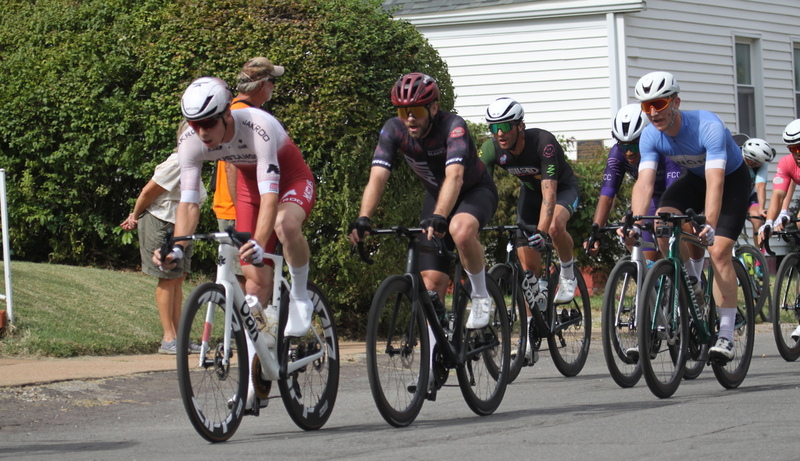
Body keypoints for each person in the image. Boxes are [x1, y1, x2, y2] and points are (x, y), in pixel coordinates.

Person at [153, 75, 316, 338]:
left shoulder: (257, 126)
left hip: (290, 180)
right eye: (195, 124)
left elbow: (271, 197)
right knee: (253, 286)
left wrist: (260, 243)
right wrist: (177, 248)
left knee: (284, 225)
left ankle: (299, 294)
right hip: (250, 188)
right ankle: (257, 363)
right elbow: (188, 202)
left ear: (227, 114)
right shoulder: (190, 140)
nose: (202, 132)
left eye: (208, 123)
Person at [348, 72, 498, 330]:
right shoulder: (393, 129)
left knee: (460, 232)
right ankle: (434, 357)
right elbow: (378, 177)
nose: (409, 118)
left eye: (416, 110)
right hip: (437, 195)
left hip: (473, 191)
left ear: (433, 108)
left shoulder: (453, 127)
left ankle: (481, 296)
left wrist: (441, 214)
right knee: (431, 282)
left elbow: (455, 176)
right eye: (402, 111)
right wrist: (364, 217)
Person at [621, 71, 751, 361]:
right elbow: (644, 182)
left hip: (730, 180)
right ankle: (689, 281)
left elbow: (716, 182)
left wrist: (711, 225)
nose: (653, 112)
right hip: (695, 179)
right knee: (663, 221)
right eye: (646, 106)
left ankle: (727, 335)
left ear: (676, 102)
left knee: (717, 252)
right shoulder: (651, 137)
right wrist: (635, 222)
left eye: (660, 104)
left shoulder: (708, 126)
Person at [479, 97, 580, 305]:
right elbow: (481, 189)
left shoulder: (544, 143)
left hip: (562, 190)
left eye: (506, 126)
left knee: (554, 227)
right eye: (494, 127)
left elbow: (550, 193)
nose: (500, 133)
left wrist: (541, 231)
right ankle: (530, 330)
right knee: (529, 274)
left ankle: (568, 274)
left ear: (520, 125)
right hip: (531, 194)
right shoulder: (491, 149)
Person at [121, 121, 207, 354]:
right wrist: (135, 216)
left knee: (179, 279)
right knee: (168, 277)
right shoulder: (178, 161)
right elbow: (148, 191)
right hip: (161, 223)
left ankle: (180, 337)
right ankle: (168, 338)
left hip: (182, 227)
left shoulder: (194, 164)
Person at [210, 57, 283, 288]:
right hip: (239, 209)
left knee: (242, 278)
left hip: (233, 207)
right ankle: (247, 324)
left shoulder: (233, 110)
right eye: (272, 81)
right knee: (247, 278)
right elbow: (232, 164)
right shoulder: (245, 116)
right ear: (261, 84)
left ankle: (244, 323)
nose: (274, 87)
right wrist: (242, 212)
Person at [585, 103, 682, 262]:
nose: (628, 152)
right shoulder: (617, 154)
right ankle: (650, 280)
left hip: (675, 192)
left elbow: (674, 192)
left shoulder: (665, 148)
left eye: (634, 145)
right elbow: (607, 196)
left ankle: (693, 274)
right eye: (623, 146)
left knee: (678, 226)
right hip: (651, 197)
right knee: (633, 237)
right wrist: (596, 234)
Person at [759, 119, 800, 338]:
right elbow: (778, 193)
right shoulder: (787, 163)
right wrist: (771, 221)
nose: (798, 153)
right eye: (793, 148)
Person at [740, 138, 776, 246]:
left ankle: (759, 257)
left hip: (748, 196)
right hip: (728, 198)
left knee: (758, 220)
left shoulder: (761, 162)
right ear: (751, 161)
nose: (763, 164)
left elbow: (760, 186)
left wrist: (761, 208)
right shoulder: (733, 160)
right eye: (760, 163)